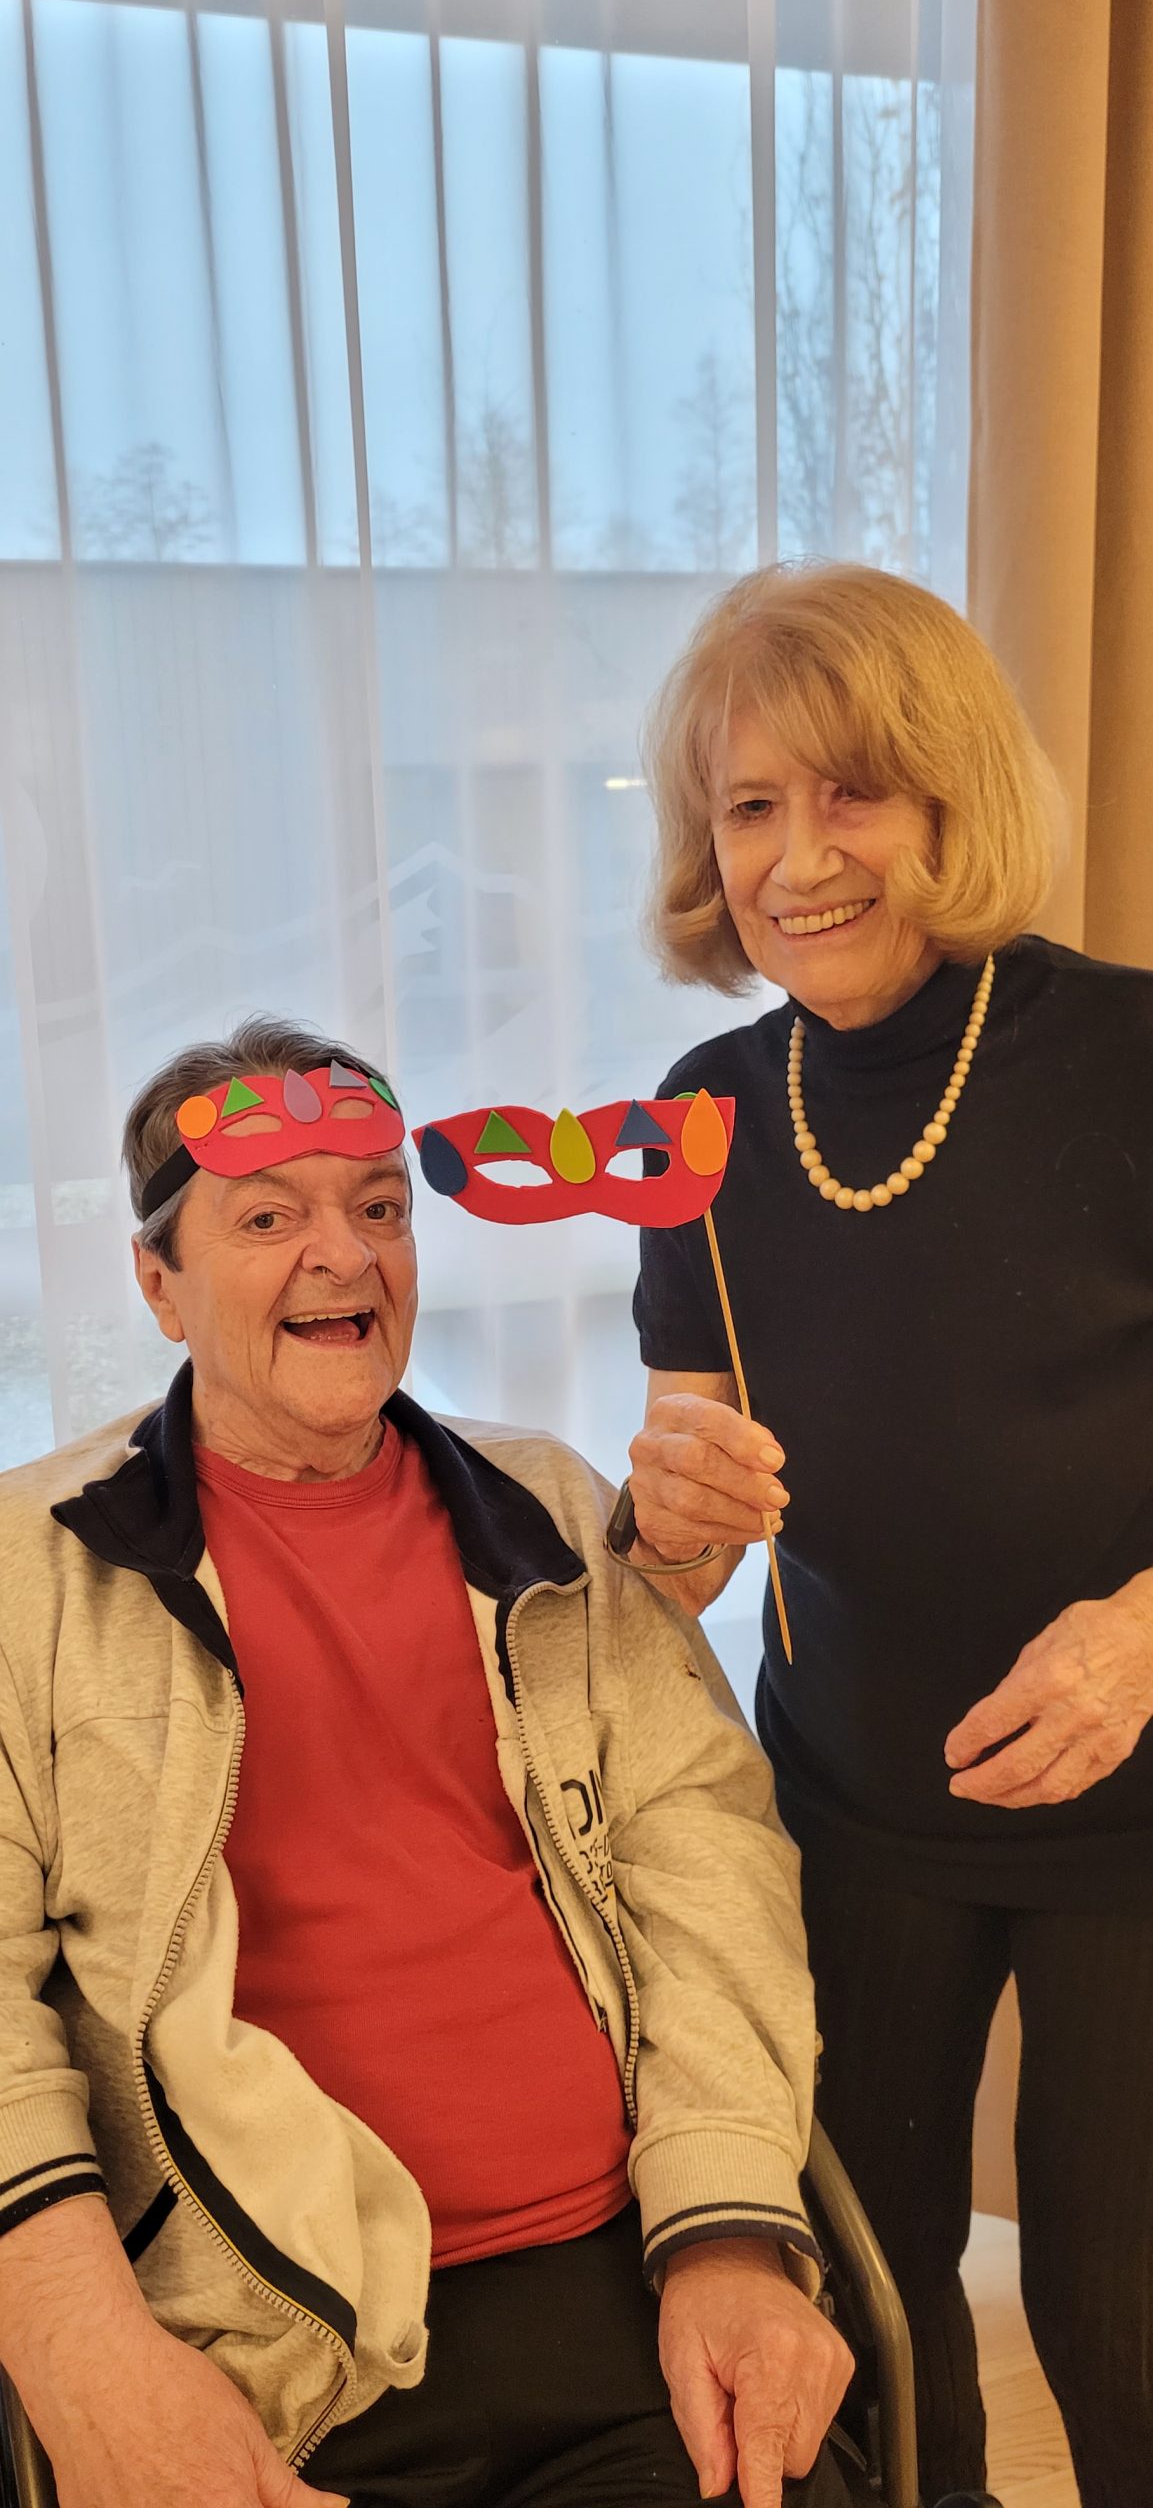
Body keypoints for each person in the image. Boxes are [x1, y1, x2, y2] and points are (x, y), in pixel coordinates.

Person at [0, 1019, 855, 2508]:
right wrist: (85, 2350)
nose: (344, 1255)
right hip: (259, 2339)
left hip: (617, 2280)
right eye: (267, 1218)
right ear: (157, 1284)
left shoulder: (549, 1509)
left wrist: (726, 2231)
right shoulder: (31, 1572)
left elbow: (704, 1858)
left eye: (380, 1207)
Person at [627, 562, 1153, 2508]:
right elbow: (683, 1529)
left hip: (1137, 1813)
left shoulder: (1128, 1054)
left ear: (949, 799)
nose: (797, 857)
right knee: (877, 2301)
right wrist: (661, 1520)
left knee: (1116, 2311)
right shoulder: (699, 1117)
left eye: (849, 792)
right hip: (848, 1806)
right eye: (748, 806)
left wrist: (1142, 1630)